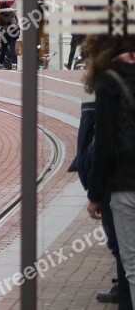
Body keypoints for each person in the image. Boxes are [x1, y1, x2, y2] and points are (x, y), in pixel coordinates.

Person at [85, 34, 135, 308]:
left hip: (125, 183)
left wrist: (94, 194)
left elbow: (103, 144)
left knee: (131, 266)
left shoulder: (110, 81)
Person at [0, 1, 19, 69]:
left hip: (4, 32)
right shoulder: (12, 13)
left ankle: (1, 64)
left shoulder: (0, 14)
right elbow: (16, 22)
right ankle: (14, 64)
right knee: (12, 48)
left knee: (3, 49)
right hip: (13, 31)